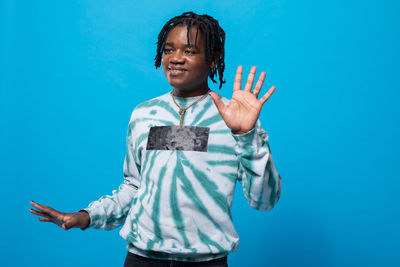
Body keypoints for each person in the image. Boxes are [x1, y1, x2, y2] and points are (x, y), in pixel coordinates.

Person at [30, 11, 282, 267]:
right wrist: (86, 216)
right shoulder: (144, 114)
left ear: (213, 59)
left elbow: (264, 201)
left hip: (206, 262)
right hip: (141, 259)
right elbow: (134, 188)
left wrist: (246, 135)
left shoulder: (233, 119)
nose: (175, 59)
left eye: (189, 51)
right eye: (169, 50)